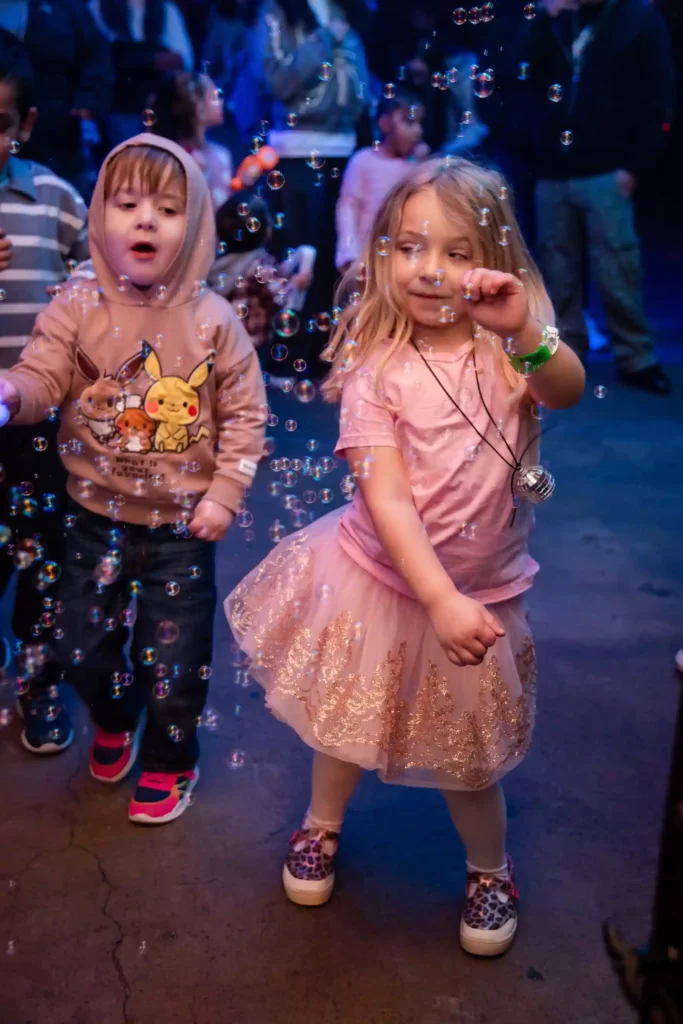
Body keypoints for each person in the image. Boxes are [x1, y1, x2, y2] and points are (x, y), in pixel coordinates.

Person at [226, 156, 585, 955]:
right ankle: (320, 826)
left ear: (495, 262)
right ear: (382, 253)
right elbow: (386, 499)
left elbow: (563, 388)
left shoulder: (507, 351)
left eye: (458, 252)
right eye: (409, 246)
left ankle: (489, 869)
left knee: (469, 753)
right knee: (341, 721)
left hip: (482, 588)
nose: (429, 270)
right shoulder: (376, 368)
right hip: (382, 579)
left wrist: (525, 328)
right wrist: (437, 598)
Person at [0, 134, 266, 824]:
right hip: (90, 514)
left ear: (198, 226)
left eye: (169, 208)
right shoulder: (76, 304)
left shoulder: (215, 320)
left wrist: (224, 493)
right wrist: (10, 394)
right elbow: (42, 374)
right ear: (99, 218)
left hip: (181, 526)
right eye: (127, 203)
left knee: (175, 664)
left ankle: (171, 760)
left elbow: (244, 417)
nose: (145, 219)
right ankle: (113, 716)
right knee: (77, 641)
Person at [508, 0, 675, 395]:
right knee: (554, 268)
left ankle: (636, 357)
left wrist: (635, 166)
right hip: (551, 168)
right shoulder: (553, 20)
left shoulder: (638, 17)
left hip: (608, 168)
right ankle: (566, 352)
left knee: (618, 265)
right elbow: (519, 76)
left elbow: (658, 93)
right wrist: (544, 21)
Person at [0, 34, 89, 754]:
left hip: (40, 422)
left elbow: (101, 280)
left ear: (23, 126)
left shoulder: (54, 199)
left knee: (45, 556)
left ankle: (39, 680)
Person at [0, 0, 114, 197]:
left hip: (57, 130)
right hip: (7, 123)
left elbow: (98, 56)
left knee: (56, 199)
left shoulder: (67, 7)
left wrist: (88, 101)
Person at [209, 192, 316, 371]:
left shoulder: (217, 261)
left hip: (221, 341)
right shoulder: (261, 264)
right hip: (251, 344)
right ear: (265, 230)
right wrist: (296, 284)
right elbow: (280, 298)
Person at [335, 90, 427, 273]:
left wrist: (425, 165)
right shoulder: (363, 160)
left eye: (420, 123)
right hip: (366, 261)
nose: (418, 131)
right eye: (409, 123)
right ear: (384, 124)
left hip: (404, 264)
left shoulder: (418, 168)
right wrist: (349, 253)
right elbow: (348, 207)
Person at [88, 0, 194, 148]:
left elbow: (182, 60)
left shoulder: (165, 10)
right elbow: (100, 58)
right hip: (118, 106)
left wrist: (135, 59)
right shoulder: (99, 7)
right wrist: (150, 58)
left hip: (157, 105)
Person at [152, 71, 233, 211]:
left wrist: (241, 183)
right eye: (214, 96)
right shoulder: (174, 160)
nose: (221, 101)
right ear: (198, 108)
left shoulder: (221, 154)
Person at [202, 0, 265, 151]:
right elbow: (209, 64)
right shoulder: (222, 27)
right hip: (231, 106)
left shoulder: (264, 19)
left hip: (254, 106)